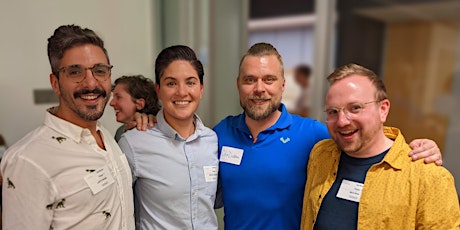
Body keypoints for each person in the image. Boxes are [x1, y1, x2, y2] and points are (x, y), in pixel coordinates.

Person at [134, 42, 443, 229]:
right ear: (238, 84)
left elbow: (364, 139)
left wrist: (419, 149)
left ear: (283, 85)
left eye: (269, 79)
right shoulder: (217, 135)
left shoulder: (314, 136)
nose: (259, 89)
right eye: (250, 80)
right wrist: (144, 119)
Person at [0, 25, 134, 230]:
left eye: (100, 71)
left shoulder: (105, 136)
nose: (91, 83)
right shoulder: (28, 161)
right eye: (75, 72)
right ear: (55, 83)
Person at [300, 63, 460, 229]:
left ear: (383, 110)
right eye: (333, 111)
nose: (342, 121)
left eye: (355, 108)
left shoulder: (428, 177)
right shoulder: (320, 155)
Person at [118, 45, 219, 229]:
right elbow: (118, 211)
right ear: (158, 90)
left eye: (190, 82)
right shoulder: (134, 143)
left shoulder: (212, 140)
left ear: (201, 89)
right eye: (171, 83)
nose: (182, 92)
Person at [110, 75, 161, 142]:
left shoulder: (156, 132)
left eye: (118, 97)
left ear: (139, 104)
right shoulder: (120, 132)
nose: (111, 103)